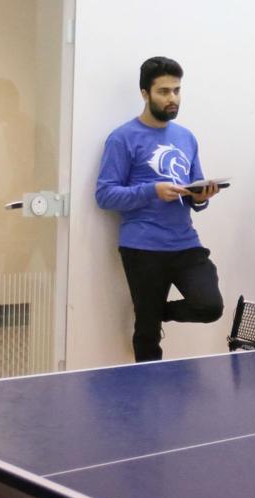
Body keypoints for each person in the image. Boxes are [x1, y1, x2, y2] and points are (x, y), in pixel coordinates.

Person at [95, 56, 224, 362]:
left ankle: (154, 312)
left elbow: (195, 193)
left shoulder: (186, 137)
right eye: (164, 92)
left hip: (185, 243)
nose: (172, 99)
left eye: (177, 91)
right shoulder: (122, 138)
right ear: (145, 93)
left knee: (209, 306)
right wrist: (152, 190)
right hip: (142, 246)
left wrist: (202, 196)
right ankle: (145, 398)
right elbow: (104, 195)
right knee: (147, 334)